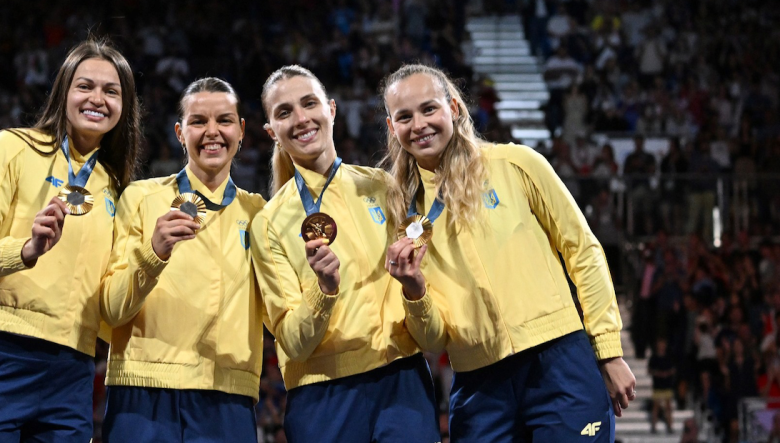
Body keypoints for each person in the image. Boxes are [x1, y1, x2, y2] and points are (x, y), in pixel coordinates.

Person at [379, 63, 635, 442]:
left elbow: (583, 251)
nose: (419, 124)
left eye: (429, 109)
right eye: (405, 116)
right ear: (391, 127)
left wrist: (609, 350)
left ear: (454, 107)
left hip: (558, 360)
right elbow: (432, 340)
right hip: (479, 384)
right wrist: (414, 290)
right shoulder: (402, 214)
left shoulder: (516, 164)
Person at [0, 38, 141, 442]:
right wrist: (25, 250)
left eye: (111, 91)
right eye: (85, 86)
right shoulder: (11, 149)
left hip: (71, 371)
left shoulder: (117, 189)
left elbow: (108, 295)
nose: (97, 99)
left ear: (125, 106)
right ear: (63, 91)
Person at [250, 65, 439, 442]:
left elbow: (429, 314)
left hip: (402, 382)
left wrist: (414, 289)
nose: (301, 119)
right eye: (285, 112)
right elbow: (294, 342)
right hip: (322, 399)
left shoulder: (384, 187)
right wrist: (324, 288)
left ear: (331, 110)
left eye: (309, 103)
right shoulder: (267, 223)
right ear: (272, 131)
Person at [100, 78, 266, 442]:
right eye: (198, 121)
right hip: (143, 391)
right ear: (180, 132)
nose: (212, 132)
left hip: (228, 394)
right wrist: (153, 253)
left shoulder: (261, 213)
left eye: (224, 120)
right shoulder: (140, 198)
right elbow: (111, 310)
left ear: (241, 130)